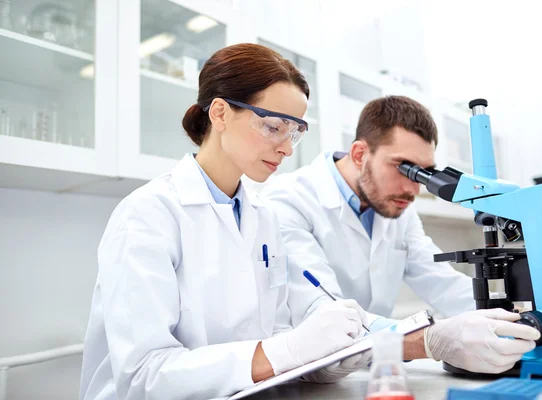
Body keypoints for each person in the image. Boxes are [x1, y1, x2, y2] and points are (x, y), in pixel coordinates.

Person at [79, 43, 371, 400]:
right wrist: (288, 350)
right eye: (274, 126)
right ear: (220, 113)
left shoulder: (264, 217)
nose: (287, 148)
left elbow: (272, 337)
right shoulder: (147, 215)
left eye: (294, 131)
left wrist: (326, 360)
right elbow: (144, 376)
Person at [261, 95, 541, 374]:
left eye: (423, 173)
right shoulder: (288, 201)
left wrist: (516, 317)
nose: (414, 189)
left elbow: (441, 282)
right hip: (307, 376)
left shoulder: (398, 210)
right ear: (359, 155)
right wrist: (430, 340)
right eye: (404, 168)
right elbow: (322, 312)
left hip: (371, 369)